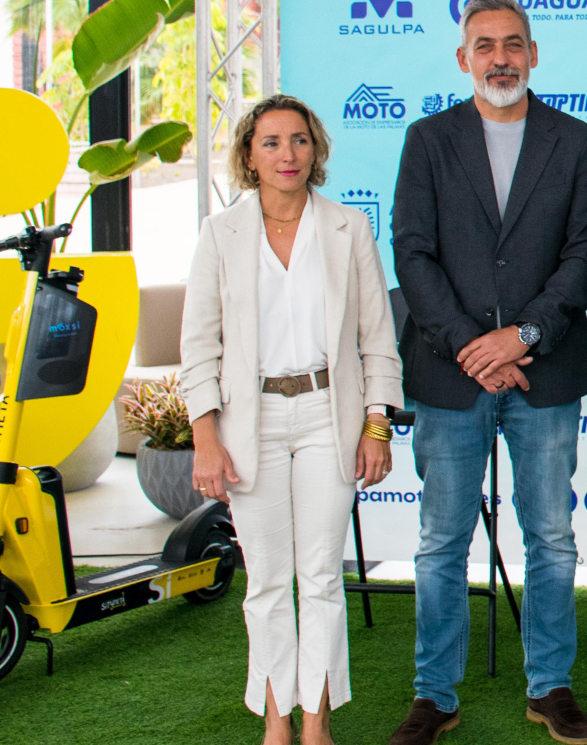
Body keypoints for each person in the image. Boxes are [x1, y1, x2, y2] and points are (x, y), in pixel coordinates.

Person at [389, 0, 587, 745]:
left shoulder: (575, 141)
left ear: (534, 53)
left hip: (543, 371)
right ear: (463, 59)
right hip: (452, 375)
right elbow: (412, 254)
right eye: (484, 46)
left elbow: (586, 257)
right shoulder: (428, 139)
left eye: (513, 43)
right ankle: (434, 694)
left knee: (550, 536)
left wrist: (523, 336)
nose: (500, 58)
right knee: (441, 540)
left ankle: (550, 687)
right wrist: (471, 348)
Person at [181, 94, 403, 745]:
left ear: (317, 150)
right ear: (249, 155)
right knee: (268, 582)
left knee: (322, 578)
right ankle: (276, 722)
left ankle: (317, 723)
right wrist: (205, 438)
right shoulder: (220, 234)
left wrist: (376, 425)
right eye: (272, 142)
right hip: (249, 421)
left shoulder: (348, 228)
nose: (288, 154)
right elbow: (199, 343)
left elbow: (377, 338)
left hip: (326, 415)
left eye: (300, 140)